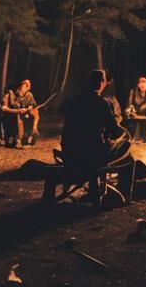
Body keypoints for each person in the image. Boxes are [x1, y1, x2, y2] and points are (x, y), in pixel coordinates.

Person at [48, 69, 127, 204]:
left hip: (70, 152)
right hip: (92, 157)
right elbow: (114, 130)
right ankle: (122, 191)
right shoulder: (102, 104)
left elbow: (61, 111)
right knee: (125, 146)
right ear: (102, 83)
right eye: (104, 81)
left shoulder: (71, 101)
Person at [0, 79, 40, 148]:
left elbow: (32, 105)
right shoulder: (10, 95)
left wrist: (30, 107)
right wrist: (18, 111)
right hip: (10, 116)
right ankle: (18, 139)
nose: (20, 89)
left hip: (23, 114)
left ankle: (33, 132)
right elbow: (4, 109)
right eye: (21, 87)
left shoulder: (29, 95)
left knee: (34, 113)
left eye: (24, 87)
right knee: (18, 117)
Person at [124, 75, 146, 141]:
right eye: (140, 83)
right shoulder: (133, 91)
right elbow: (129, 104)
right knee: (127, 112)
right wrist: (132, 109)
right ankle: (130, 135)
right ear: (138, 84)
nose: (142, 85)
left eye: (144, 82)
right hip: (135, 113)